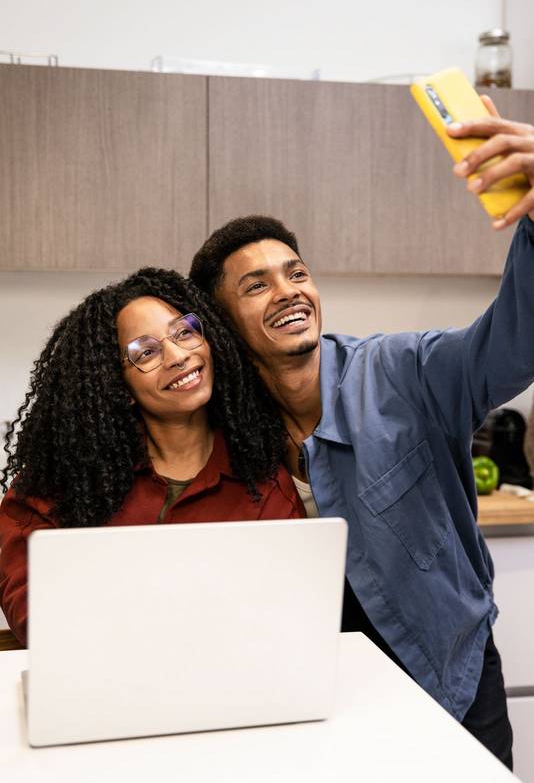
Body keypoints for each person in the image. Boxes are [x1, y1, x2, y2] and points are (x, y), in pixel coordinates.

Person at [189, 100, 534, 769]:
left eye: (296, 273)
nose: (288, 291)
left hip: (450, 686)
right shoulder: (224, 429)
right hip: (323, 707)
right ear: (222, 321)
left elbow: (514, 344)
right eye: (255, 285)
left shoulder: (406, 370)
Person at [0, 267, 304, 647]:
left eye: (184, 332)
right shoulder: (60, 483)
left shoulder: (262, 477)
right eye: (146, 352)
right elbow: (39, 619)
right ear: (118, 385)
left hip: (230, 688)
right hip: (100, 691)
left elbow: (290, 611)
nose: (178, 356)